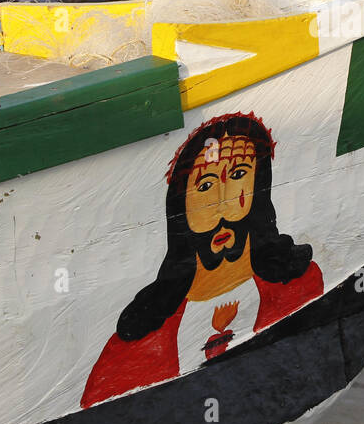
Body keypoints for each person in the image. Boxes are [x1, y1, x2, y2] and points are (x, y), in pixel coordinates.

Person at [81, 112, 323, 408]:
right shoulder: (139, 340)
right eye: (205, 185)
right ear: (180, 202)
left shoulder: (300, 285)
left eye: (237, 176)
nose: (222, 204)